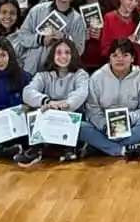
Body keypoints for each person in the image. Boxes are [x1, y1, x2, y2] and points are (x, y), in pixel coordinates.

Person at [16, 38, 91, 166]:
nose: (63, 56)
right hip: (48, 113)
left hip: (69, 113)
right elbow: (27, 92)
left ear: (73, 55)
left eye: (67, 53)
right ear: (53, 55)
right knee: (30, 109)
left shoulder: (81, 75)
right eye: (59, 53)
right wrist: (47, 101)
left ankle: (69, 147)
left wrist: (65, 104)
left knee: (75, 113)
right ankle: (36, 149)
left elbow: (81, 93)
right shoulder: (43, 75)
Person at [79, 39, 140, 159]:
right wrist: (104, 125)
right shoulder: (97, 77)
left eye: (125, 55)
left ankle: (100, 146)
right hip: (103, 128)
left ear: (132, 58)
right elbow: (92, 109)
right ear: (109, 58)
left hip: (130, 126)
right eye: (115, 55)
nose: (119, 59)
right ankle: (124, 149)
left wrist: (129, 119)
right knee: (80, 127)